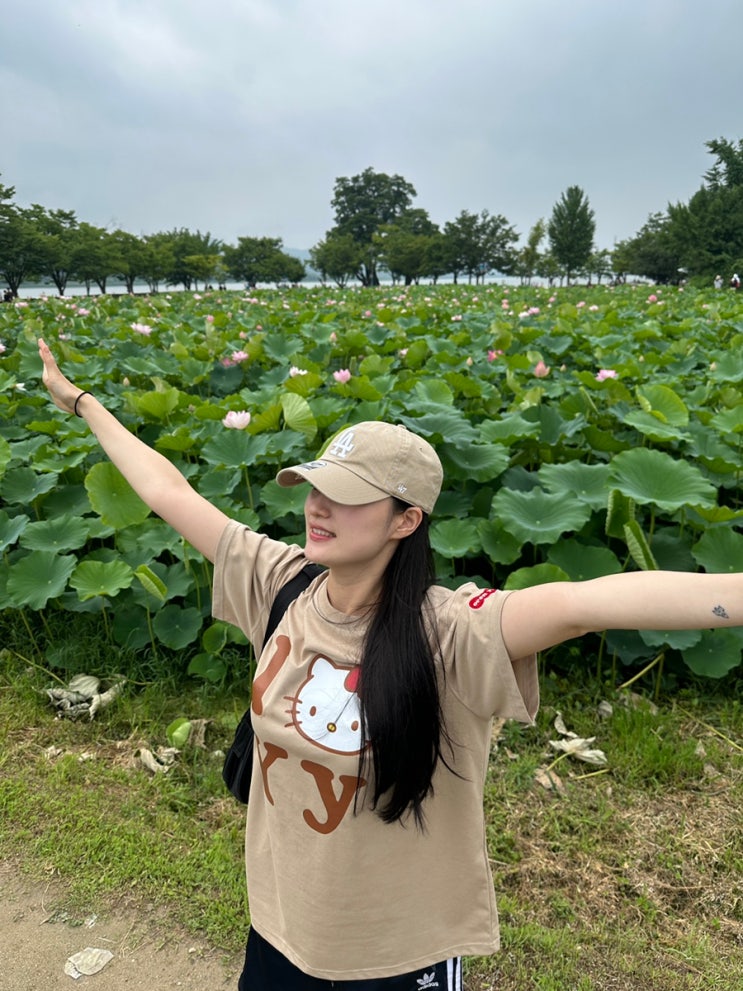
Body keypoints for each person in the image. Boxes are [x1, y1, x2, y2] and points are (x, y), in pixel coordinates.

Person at [38, 338, 743, 991]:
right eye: (315, 486)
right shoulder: (279, 582)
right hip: (281, 929)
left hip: (397, 950)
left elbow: (586, 603)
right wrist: (81, 402)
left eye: (347, 497)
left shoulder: (450, 631)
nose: (317, 507)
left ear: (405, 520)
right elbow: (168, 493)